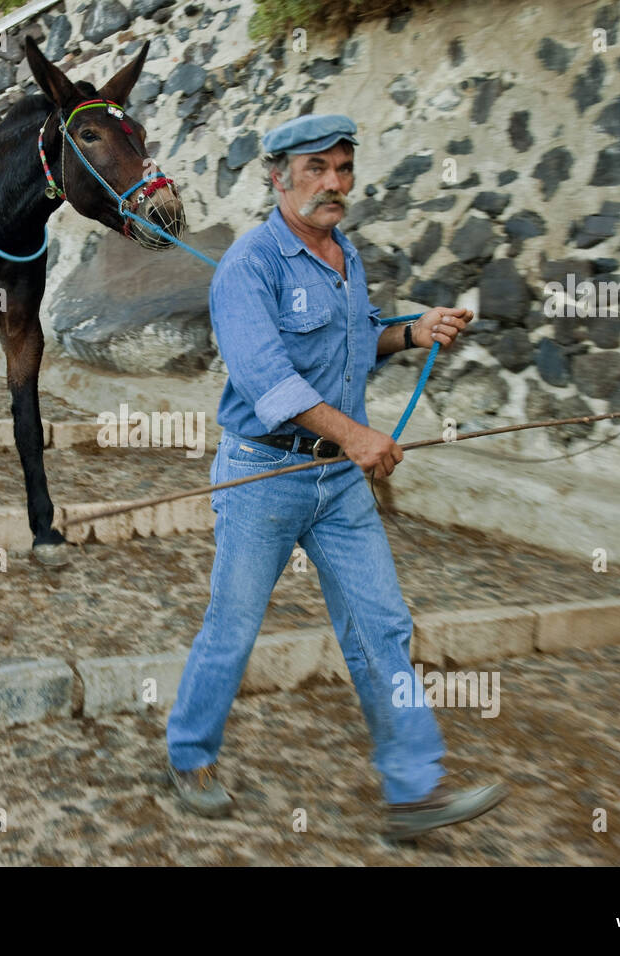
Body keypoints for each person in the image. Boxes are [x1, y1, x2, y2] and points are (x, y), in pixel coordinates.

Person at [164, 114, 507, 840]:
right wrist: (357, 435)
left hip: (339, 484)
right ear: (277, 174)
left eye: (344, 169)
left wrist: (412, 332)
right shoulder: (250, 265)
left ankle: (413, 793)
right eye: (317, 168)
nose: (334, 184)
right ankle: (189, 755)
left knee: (382, 626)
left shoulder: (343, 252)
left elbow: (356, 341)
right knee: (234, 626)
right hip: (263, 475)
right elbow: (271, 384)